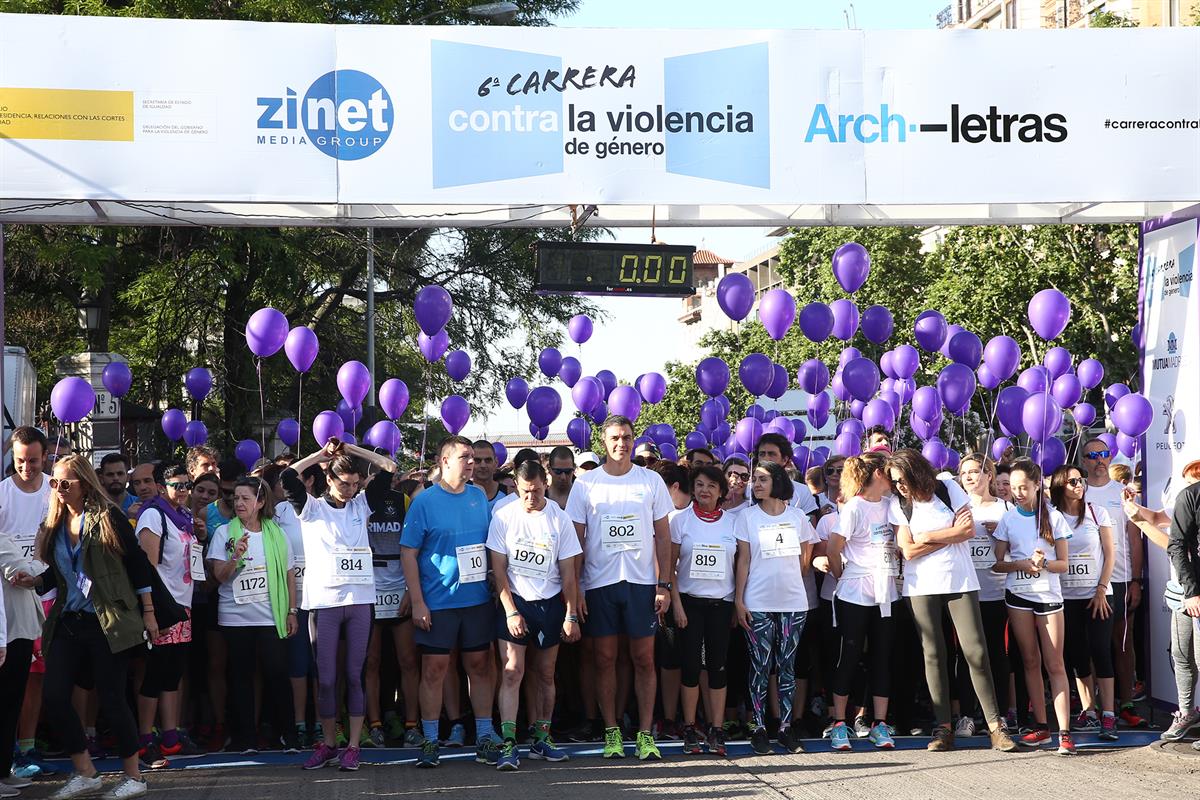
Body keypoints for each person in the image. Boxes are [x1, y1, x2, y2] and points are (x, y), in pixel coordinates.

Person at [36, 454, 185, 800]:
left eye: (65, 483)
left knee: (113, 698)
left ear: (85, 484)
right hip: (68, 620)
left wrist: (149, 612)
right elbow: (64, 572)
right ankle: (85, 771)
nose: (58, 489)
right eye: (54, 483)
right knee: (56, 696)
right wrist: (36, 579)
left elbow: (138, 565)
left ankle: (134, 776)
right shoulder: (56, 523)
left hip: (108, 620)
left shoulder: (107, 517)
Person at [888, 450, 1015, 752]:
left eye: (902, 479)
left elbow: (967, 531)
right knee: (933, 655)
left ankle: (996, 727)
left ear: (916, 471)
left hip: (960, 580)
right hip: (920, 587)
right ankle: (943, 727)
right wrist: (948, 534)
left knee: (975, 651)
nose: (900, 486)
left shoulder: (948, 488)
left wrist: (927, 536)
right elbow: (908, 551)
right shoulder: (898, 504)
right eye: (895, 482)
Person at [281, 439, 397, 772]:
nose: (349, 490)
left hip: (360, 602)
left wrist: (352, 449)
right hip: (324, 603)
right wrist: (321, 456)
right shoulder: (311, 507)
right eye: (343, 483)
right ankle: (330, 743)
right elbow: (288, 475)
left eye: (355, 484)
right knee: (327, 678)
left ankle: (354, 746)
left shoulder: (363, 504)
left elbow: (389, 468)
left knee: (355, 675)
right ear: (328, 479)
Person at [566, 415, 674, 761]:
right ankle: (611, 731)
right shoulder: (586, 484)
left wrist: (663, 584)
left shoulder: (651, 480)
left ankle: (644, 733)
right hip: (599, 583)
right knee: (605, 658)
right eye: (614, 437)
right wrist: (578, 589)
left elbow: (664, 537)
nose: (621, 443)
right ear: (604, 441)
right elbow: (575, 543)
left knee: (643, 658)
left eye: (627, 437)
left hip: (641, 583)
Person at [400, 436, 498, 768]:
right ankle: (430, 741)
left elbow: (490, 546)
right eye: (465, 457)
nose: (471, 463)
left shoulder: (478, 496)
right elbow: (408, 553)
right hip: (438, 603)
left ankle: (484, 736)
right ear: (444, 461)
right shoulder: (424, 502)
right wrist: (417, 601)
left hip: (476, 601)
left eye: (473, 457)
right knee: (434, 671)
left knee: (480, 667)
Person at [487, 460, 582, 770]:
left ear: (546, 484)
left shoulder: (559, 518)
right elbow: (498, 570)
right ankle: (509, 743)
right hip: (516, 601)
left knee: (545, 674)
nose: (531, 497)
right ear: (516, 485)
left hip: (550, 603)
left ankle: (542, 738)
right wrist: (511, 611)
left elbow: (569, 573)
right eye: (525, 491)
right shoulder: (503, 515)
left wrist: (570, 615)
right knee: (512, 671)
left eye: (537, 491)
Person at [208, 476, 300, 755]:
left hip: (271, 616)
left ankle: (288, 736)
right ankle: (245, 738)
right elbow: (219, 576)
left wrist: (292, 611)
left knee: (276, 672)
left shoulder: (277, 533)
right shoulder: (225, 533)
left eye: (245, 498)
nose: (239, 503)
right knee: (241, 676)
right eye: (235, 498)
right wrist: (235, 557)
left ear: (260, 502)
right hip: (235, 618)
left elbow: (289, 575)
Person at [992, 459, 1075, 755]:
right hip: (1018, 596)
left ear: (1037, 484)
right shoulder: (1009, 519)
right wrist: (1022, 565)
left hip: (1049, 598)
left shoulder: (1054, 517)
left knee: (1055, 664)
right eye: (1014, 488)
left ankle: (1064, 732)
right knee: (1029, 661)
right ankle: (1041, 726)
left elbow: (1063, 564)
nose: (1018, 493)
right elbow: (997, 564)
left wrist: (1044, 565)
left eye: (1023, 487)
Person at [733, 461, 816, 755]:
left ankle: (785, 727)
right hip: (757, 602)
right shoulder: (747, 517)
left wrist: (791, 576)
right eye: (754, 479)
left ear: (778, 481)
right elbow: (743, 560)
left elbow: (807, 556)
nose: (755, 484)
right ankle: (758, 726)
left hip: (793, 603)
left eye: (762, 479)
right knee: (760, 665)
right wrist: (739, 600)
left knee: (787, 667)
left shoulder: (798, 517)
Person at [133, 462, 202, 767]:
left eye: (187, 484)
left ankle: (171, 737)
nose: (184, 490)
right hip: (162, 605)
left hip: (183, 604)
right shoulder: (153, 515)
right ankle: (145, 740)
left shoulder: (184, 516)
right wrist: (151, 610)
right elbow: (146, 568)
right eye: (177, 485)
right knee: (155, 674)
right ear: (162, 487)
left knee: (173, 672)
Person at [827, 452, 897, 752]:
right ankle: (840, 723)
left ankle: (879, 724)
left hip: (886, 591)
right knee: (849, 656)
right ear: (878, 474)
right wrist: (846, 574)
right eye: (889, 471)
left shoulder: (891, 504)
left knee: (883, 657)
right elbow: (834, 548)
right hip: (855, 592)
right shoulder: (854, 506)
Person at [669, 464, 737, 756]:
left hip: (722, 604)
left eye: (711, 485)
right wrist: (677, 605)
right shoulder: (680, 521)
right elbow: (669, 567)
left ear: (721, 490)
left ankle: (717, 728)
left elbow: (741, 567)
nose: (704, 490)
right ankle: (688, 726)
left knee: (718, 667)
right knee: (691, 667)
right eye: (699, 484)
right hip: (689, 603)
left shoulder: (734, 523)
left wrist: (738, 604)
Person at [1048, 464, 1118, 740]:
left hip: (1097, 595)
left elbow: (1110, 554)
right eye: (1073, 481)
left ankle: (1109, 714)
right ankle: (1089, 711)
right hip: (1065, 596)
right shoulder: (1052, 516)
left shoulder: (1096, 512)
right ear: (1060, 487)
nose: (1079, 485)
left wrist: (1101, 588)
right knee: (1076, 655)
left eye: (1081, 480)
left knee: (1101, 650)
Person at [1079, 438, 1145, 728]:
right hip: (1083, 581)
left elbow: (1134, 539)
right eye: (1092, 456)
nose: (1098, 460)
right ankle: (1091, 707)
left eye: (1103, 454)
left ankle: (1126, 703)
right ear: (1084, 461)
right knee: (1090, 645)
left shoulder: (1123, 493)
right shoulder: (1075, 491)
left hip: (1118, 579)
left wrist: (1135, 580)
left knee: (1121, 642)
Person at [0, 427, 51, 789]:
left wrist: (42, 576)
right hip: (8, 608)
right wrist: (26, 571)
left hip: (41, 604)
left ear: (45, 455)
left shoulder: (56, 490)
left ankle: (8, 766)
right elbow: (8, 558)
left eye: (33, 460)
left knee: (18, 691)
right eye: (20, 461)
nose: (27, 467)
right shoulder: (2, 496)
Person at [360, 456, 420, 749]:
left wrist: (411, 589)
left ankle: (411, 725)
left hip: (398, 584)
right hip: (368, 588)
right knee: (371, 661)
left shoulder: (403, 501)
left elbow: (413, 547)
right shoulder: (358, 503)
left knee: (407, 660)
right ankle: (374, 725)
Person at [956, 454, 1011, 736]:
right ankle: (966, 714)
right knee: (967, 656)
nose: (969, 476)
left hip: (998, 593)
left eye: (975, 471)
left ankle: (998, 716)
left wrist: (1003, 534)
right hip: (965, 594)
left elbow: (1022, 548)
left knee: (997, 656)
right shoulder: (956, 507)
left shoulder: (1006, 508)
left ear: (989, 475)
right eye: (964, 472)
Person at [650, 460, 689, 740]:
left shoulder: (681, 517)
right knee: (668, 660)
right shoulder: (666, 516)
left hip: (698, 598)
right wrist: (667, 594)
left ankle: (689, 718)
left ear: (673, 487)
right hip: (670, 596)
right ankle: (667, 717)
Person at [1167, 460, 1200, 751]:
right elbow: (1176, 545)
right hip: (1189, 593)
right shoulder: (1190, 496)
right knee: (1181, 653)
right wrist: (1191, 591)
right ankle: (1186, 712)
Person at [752, 434, 819, 522]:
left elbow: (810, 528)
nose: (766, 458)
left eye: (771, 454)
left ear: (784, 459)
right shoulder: (749, 490)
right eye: (762, 454)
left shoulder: (802, 491)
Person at [206, 461, 243, 540]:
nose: (231, 497)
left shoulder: (254, 512)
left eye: (235, 492)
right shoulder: (206, 512)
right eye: (226, 492)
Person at [472, 440, 508, 511]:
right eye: (477, 461)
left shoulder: (508, 494)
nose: (483, 465)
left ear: (496, 462)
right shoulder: (460, 493)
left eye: (488, 460)